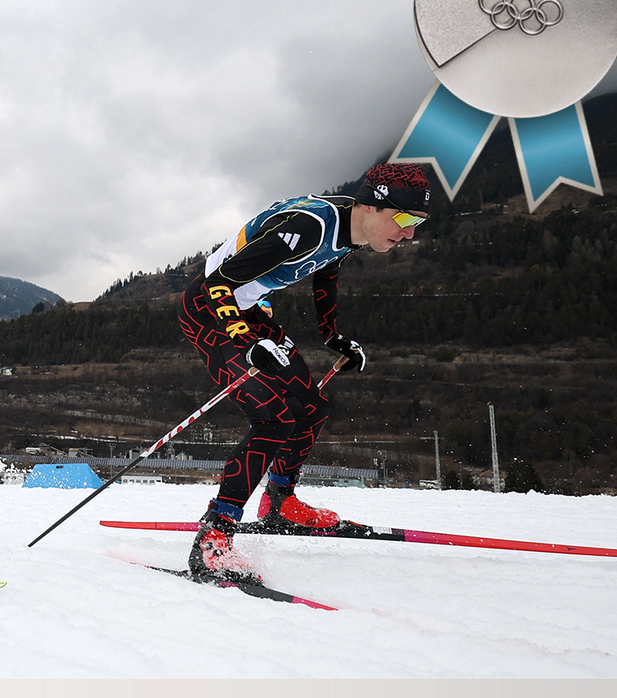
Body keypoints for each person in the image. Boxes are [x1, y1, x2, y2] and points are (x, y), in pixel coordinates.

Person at [177, 162, 431, 584]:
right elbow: (218, 281)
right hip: (210, 310)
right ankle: (214, 536)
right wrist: (243, 338)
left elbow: (325, 270)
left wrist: (332, 337)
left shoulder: (350, 228)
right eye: (405, 220)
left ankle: (280, 502)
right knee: (274, 419)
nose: (409, 234)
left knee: (311, 408)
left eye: (417, 224)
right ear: (371, 206)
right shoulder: (309, 226)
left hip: (249, 312)